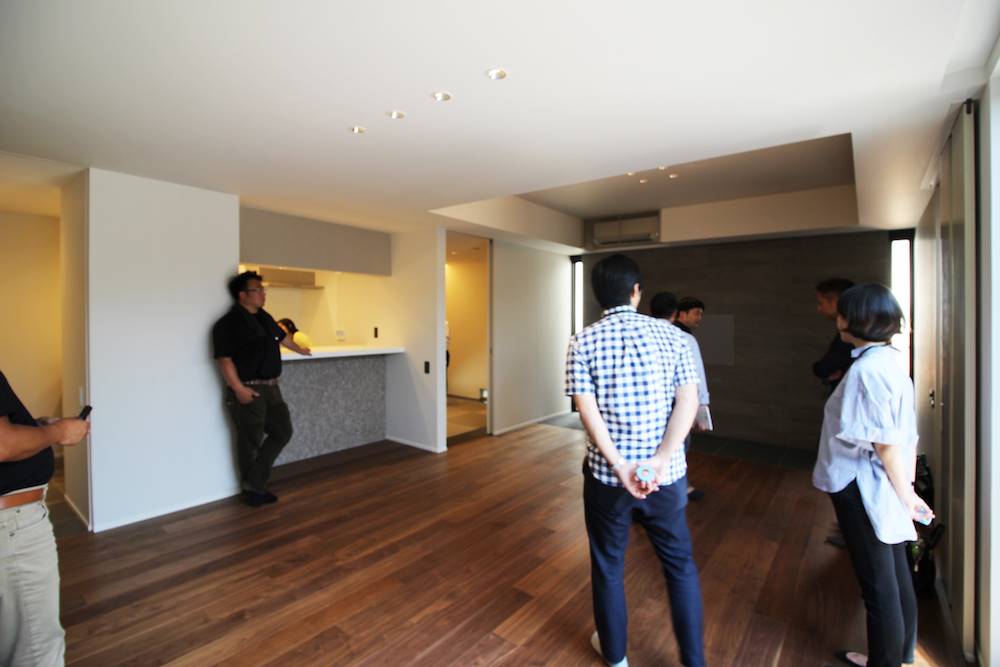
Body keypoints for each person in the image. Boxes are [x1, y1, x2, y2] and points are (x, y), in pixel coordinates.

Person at [566, 255, 704, 667]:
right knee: (680, 568)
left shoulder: (582, 341)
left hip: (608, 481)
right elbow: (689, 402)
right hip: (667, 480)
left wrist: (620, 465)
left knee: (608, 567)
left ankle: (616, 657)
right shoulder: (674, 337)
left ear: (598, 295)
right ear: (636, 290)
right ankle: (694, 662)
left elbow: (586, 410)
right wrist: (661, 459)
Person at [812, 284, 931, 667]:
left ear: (853, 320)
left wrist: (907, 495)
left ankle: (885, 661)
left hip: (863, 484)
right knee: (894, 572)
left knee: (878, 585)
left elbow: (885, 444)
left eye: (841, 311)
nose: (836, 317)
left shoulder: (868, 370)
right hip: (879, 482)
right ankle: (901, 652)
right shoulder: (885, 361)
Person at [0, 371, 90, 667]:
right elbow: (3, 444)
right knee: (36, 650)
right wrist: (58, 432)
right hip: (11, 528)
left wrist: (37, 427)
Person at [212, 271, 311, 507]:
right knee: (250, 441)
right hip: (249, 389)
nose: (263, 294)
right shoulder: (228, 324)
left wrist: (300, 349)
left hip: (272, 389)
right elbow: (224, 359)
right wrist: (239, 389)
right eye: (258, 290)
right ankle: (254, 490)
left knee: (282, 432)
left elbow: (281, 337)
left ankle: (253, 482)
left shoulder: (265, 317)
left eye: (263, 289)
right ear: (242, 295)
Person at [650, 292, 710, 501]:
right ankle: (678, 487)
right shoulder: (685, 339)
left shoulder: (645, 334)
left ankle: (654, 482)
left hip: (654, 404)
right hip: (678, 403)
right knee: (679, 444)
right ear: (678, 314)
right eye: (696, 313)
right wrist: (702, 407)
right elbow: (697, 375)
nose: (699, 318)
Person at [813, 278, 856, 393]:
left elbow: (825, 367)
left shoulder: (852, 332)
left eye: (821, 303)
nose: (819, 308)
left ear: (835, 302)